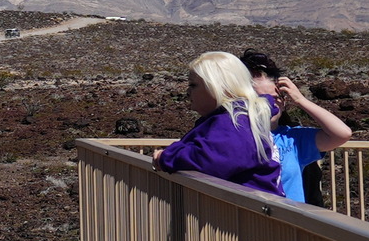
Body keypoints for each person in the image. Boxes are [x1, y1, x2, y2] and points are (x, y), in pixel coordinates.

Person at [152, 51, 287, 196]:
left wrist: (166, 158)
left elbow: (210, 160)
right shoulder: (237, 118)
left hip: (247, 213)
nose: (187, 91)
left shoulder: (237, 121)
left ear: (217, 87)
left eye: (193, 85)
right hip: (243, 211)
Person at [238, 47, 355, 204]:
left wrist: (300, 100)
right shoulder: (235, 137)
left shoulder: (293, 139)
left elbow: (342, 134)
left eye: (275, 97)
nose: (270, 103)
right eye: (259, 98)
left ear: (285, 101)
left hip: (290, 223)